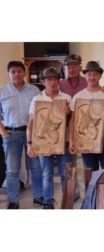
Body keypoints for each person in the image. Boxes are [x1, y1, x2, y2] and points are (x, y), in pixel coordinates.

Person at [0, 61, 43, 209]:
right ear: (8, 74)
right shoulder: (2, 91)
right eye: (13, 71)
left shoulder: (34, 90)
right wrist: (2, 131)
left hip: (32, 134)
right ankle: (13, 200)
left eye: (19, 71)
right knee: (12, 169)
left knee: (36, 167)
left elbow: (40, 112)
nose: (16, 74)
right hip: (11, 134)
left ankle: (38, 197)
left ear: (24, 73)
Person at [27, 67, 72, 209]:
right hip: (43, 142)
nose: (52, 82)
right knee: (47, 174)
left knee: (66, 173)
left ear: (58, 81)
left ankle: (67, 201)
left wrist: (69, 113)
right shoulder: (37, 99)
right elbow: (31, 123)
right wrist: (30, 143)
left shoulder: (66, 98)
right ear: (43, 82)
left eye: (55, 79)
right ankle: (48, 202)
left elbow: (72, 121)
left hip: (62, 142)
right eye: (49, 79)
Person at [69, 61, 104, 171]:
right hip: (86, 141)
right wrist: (71, 140)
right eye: (89, 74)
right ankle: (92, 189)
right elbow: (73, 120)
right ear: (85, 76)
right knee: (90, 172)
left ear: (100, 76)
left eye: (95, 74)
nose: (92, 77)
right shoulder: (78, 96)